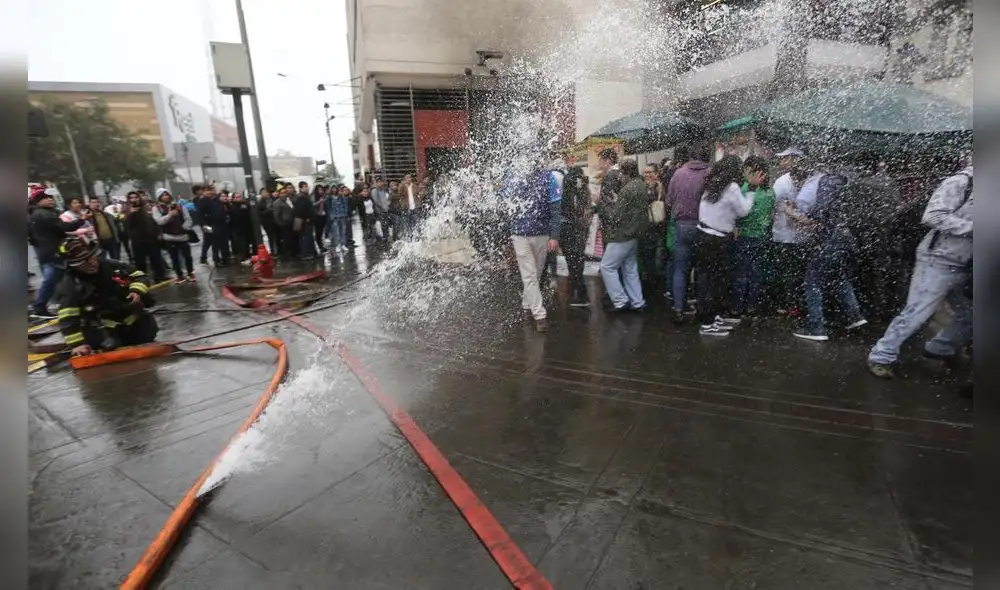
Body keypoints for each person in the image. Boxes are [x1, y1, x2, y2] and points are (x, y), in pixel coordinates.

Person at [868, 164, 973, 378]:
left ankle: (940, 348)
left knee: (972, 316)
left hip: (968, 264)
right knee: (917, 312)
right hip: (938, 259)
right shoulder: (961, 182)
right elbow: (932, 216)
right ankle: (881, 356)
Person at [792, 165, 868, 341]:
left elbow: (820, 212)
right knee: (839, 277)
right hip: (850, 238)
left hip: (832, 238)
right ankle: (855, 317)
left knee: (812, 281)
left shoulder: (827, 181)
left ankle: (816, 328)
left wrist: (794, 213)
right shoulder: (849, 182)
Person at [53, 235, 158, 357]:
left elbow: (140, 276)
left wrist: (136, 291)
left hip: (133, 320)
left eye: (92, 257)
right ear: (73, 265)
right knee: (113, 352)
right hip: (104, 328)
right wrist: (77, 345)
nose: (91, 263)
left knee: (146, 340)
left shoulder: (113, 267)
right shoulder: (69, 286)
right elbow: (68, 318)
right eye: (83, 262)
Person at [693, 155, 755, 336]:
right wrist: (751, 191)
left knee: (706, 280)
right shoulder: (731, 186)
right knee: (715, 282)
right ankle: (708, 324)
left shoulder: (712, 182)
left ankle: (710, 317)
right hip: (717, 240)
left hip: (702, 235)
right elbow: (743, 211)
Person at [503, 155, 563, 333]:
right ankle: (540, 316)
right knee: (529, 275)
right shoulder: (517, 177)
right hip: (522, 235)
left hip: (538, 234)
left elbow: (556, 210)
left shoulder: (547, 178)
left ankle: (526, 305)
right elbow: (505, 204)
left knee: (535, 273)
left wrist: (554, 236)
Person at [664, 143, 713, 324]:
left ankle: (678, 309)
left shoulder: (678, 174)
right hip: (704, 226)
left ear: (690, 156)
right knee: (702, 269)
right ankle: (701, 309)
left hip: (682, 226)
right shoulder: (710, 174)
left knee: (680, 269)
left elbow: (669, 201)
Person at [595, 158, 648, 313]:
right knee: (630, 268)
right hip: (634, 234)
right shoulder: (641, 185)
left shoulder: (627, 190)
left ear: (624, 173)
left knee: (606, 267)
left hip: (622, 235)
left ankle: (620, 301)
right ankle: (638, 302)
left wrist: (601, 204)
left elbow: (615, 217)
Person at [770, 151, 818, 316]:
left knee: (799, 272)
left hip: (803, 237)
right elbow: (772, 205)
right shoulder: (782, 182)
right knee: (785, 272)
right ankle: (787, 304)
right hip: (784, 236)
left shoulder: (811, 183)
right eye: (797, 179)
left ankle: (796, 305)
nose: (799, 183)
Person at [28, 188, 87, 318]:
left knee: (61, 277)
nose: (50, 200)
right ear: (38, 202)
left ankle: (68, 301)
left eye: (50, 198)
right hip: (52, 252)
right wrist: (81, 220)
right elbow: (64, 227)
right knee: (51, 279)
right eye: (45, 198)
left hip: (48, 251)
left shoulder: (39, 213)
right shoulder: (44, 214)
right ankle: (40, 307)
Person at [730, 156, 775, 318]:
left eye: (747, 170)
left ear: (753, 172)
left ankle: (737, 306)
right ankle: (752, 306)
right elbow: (770, 216)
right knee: (756, 272)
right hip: (762, 237)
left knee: (741, 273)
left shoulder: (743, 189)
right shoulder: (770, 192)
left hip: (743, 236)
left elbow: (736, 213)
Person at [556, 156, 591, 307]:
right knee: (578, 259)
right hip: (580, 228)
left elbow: (563, 209)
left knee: (572, 261)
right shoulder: (584, 188)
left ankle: (582, 295)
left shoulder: (567, 189)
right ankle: (580, 291)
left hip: (568, 228)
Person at [152, 189, 196, 283]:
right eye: (163, 195)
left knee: (188, 256)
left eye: (167, 194)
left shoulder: (179, 206)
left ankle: (190, 273)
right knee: (174, 258)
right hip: (169, 237)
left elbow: (188, 219)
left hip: (183, 236)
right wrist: (170, 215)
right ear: (159, 197)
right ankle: (179, 275)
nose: (166, 197)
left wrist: (184, 228)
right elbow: (159, 221)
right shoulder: (157, 208)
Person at [125, 190, 168, 281]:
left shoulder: (145, 208)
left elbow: (153, 222)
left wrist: (158, 233)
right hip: (138, 241)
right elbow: (127, 227)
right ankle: (142, 280)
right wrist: (131, 213)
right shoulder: (127, 211)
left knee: (156, 259)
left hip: (151, 239)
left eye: (136, 197)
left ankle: (160, 277)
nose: (134, 199)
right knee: (140, 262)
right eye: (132, 198)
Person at [640, 162, 667, 294]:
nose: (647, 175)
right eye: (645, 172)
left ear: (656, 173)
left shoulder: (655, 187)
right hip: (656, 227)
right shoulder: (661, 186)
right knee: (654, 256)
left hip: (652, 227)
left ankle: (653, 285)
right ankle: (656, 282)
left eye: (650, 172)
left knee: (651, 257)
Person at [196, 184, 231, 266]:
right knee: (215, 244)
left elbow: (223, 210)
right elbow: (200, 216)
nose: (209, 192)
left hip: (222, 224)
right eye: (207, 190)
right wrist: (204, 226)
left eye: (211, 190)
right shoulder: (202, 201)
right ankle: (216, 260)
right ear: (204, 192)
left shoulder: (217, 200)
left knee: (224, 243)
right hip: (211, 225)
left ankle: (225, 258)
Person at [228, 191, 256, 263]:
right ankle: (244, 258)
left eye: (239, 197)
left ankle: (251, 256)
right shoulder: (232, 206)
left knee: (250, 242)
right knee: (243, 244)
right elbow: (236, 215)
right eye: (237, 197)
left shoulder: (245, 203)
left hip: (248, 227)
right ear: (234, 198)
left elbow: (249, 210)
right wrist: (243, 209)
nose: (239, 198)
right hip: (239, 228)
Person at [391, 174, 421, 240]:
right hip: (405, 208)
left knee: (416, 224)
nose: (409, 179)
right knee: (406, 225)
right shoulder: (402, 186)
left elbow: (419, 194)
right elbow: (399, 194)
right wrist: (403, 185)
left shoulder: (414, 186)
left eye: (409, 177)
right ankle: (408, 238)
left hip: (414, 208)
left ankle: (416, 237)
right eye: (407, 178)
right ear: (404, 179)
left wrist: (418, 202)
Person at [293, 181, 317, 260]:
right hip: (305, 222)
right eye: (305, 187)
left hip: (309, 221)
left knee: (309, 237)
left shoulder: (306, 197)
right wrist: (306, 218)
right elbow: (300, 211)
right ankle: (306, 254)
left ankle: (311, 253)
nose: (307, 188)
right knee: (306, 238)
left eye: (307, 186)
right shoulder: (301, 198)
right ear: (301, 188)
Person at [273, 184, 297, 259]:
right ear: (279, 194)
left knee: (292, 238)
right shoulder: (277, 203)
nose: (284, 194)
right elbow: (276, 215)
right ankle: (286, 254)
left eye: (285, 192)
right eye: (282, 193)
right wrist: (282, 224)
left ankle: (293, 253)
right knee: (286, 240)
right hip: (284, 224)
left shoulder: (288, 200)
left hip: (291, 223)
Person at [325, 184, 351, 252]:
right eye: (333, 188)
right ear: (331, 190)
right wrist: (331, 216)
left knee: (343, 231)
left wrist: (345, 214)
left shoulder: (341, 197)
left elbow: (345, 205)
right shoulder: (329, 198)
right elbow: (328, 208)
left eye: (335, 188)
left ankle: (343, 244)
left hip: (342, 216)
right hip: (335, 217)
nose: (334, 190)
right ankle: (337, 245)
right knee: (336, 232)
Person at [256, 188, 281, 256]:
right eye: (263, 192)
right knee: (271, 237)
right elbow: (260, 213)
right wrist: (268, 210)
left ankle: (279, 251)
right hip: (267, 222)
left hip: (275, 220)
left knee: (277, 236)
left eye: (266, 192)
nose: (266, 193)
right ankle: (273, 252)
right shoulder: (260, 203)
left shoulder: (272, 200)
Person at [371, 177, 391, 243]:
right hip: (379, 211)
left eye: (381, 182)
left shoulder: (384, 189)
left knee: (386, 224)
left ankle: (386, 237)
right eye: (378, 182)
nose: (380, 183)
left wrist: (387, 205)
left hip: (385, 210)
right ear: (376, 183)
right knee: (382, 225)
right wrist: (383, 207)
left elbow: (387, 198)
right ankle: (383, 238)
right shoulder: (374, 190)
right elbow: (376, 202)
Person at [312, 184, 328, 252]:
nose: (321, 191)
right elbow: (312, 205)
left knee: (321, 231)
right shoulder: (314, 196)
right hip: (317, 216)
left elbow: (326, 205)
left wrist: (325, 201)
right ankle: (320, 246)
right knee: (318, 232)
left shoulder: (324, 196)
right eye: (319, 189)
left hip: (323, 215)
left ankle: (321, 245)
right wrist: (319, 201)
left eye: (321, 189)